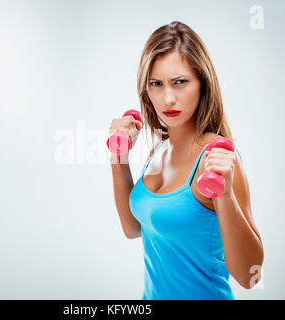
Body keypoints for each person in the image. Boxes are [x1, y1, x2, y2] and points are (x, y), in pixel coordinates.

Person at [109, 21, 263, 300]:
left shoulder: (217, 159)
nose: (168, 98)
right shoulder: (159, 149)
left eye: (180, 82)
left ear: (202, 83)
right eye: (156, 84)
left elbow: (249, 276)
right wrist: (118, 157)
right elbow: (134, 228)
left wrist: (225, 195)